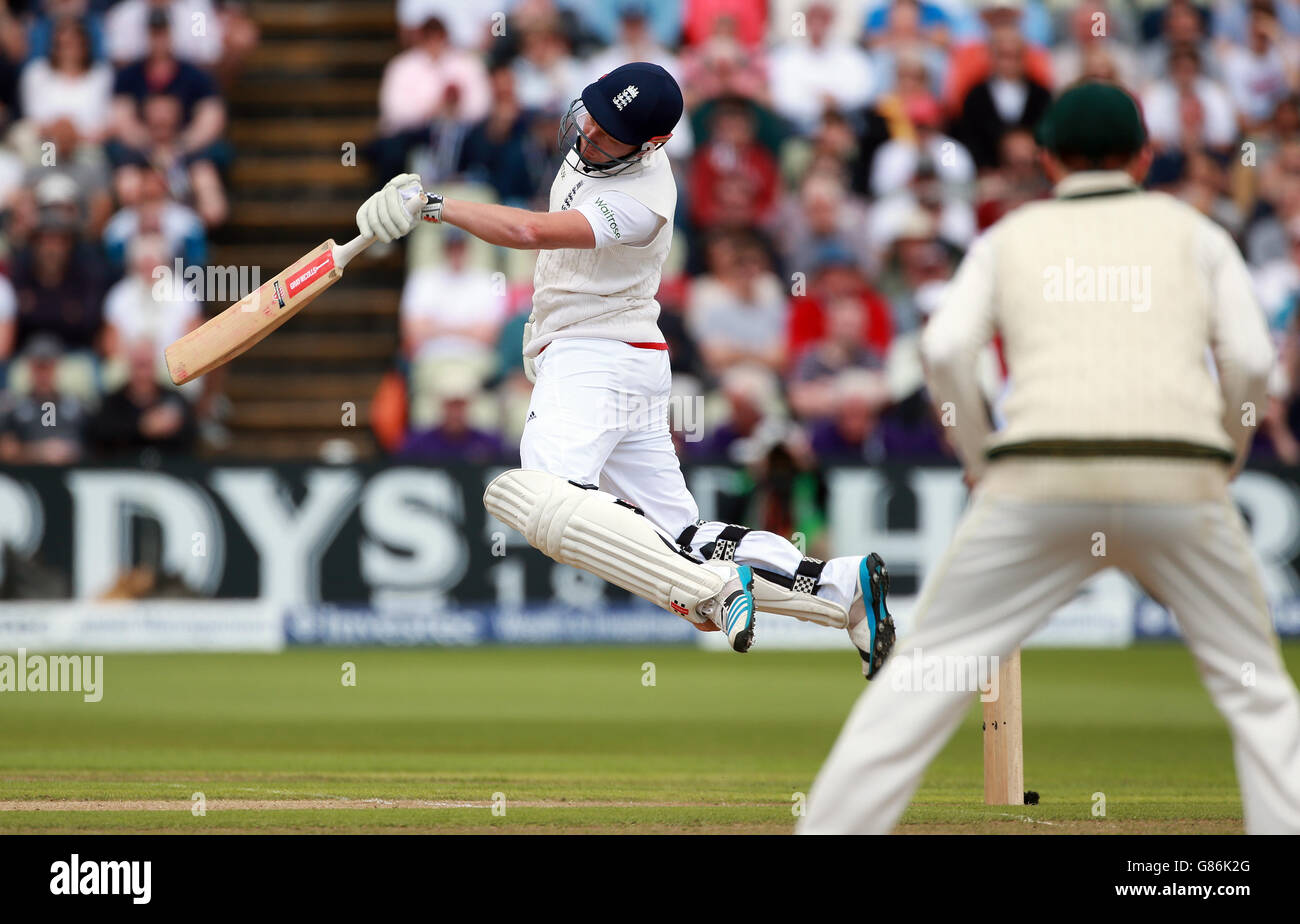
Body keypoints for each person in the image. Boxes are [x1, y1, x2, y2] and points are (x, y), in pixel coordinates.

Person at [799, 83, 1300, 834]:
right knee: (1258, 692)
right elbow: (1257, 362)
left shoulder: (1011, 235)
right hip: (1179, 476)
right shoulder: (1194, 231)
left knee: (922, 680)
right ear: (1146, 154)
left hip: (1036, 476)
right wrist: (1224, 451)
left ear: (1043, 157)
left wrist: (979, 455)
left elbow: (943, 347)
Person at [355, 62, 896, 675]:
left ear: (653, 145)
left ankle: (711, 593)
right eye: (589, 117)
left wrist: (430, 204)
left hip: (593, 358)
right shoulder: (598, 137)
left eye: (609, 135)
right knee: (682, 534)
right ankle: (841, 588)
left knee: (531, 497)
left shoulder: (641, 199)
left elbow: (532, 231)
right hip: (625, 360)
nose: (588, 136)